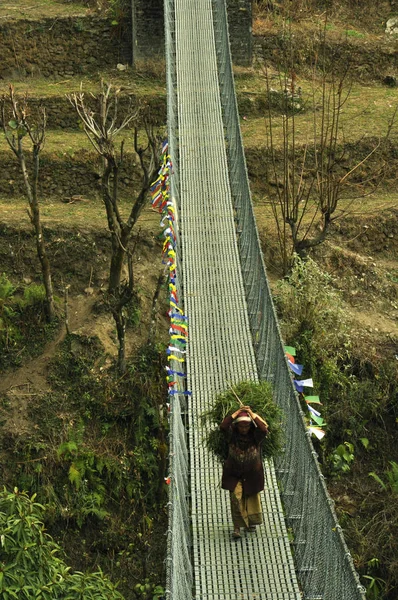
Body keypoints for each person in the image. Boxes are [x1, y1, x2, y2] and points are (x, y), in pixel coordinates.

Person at [220, 406, 269, 539]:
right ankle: (237, 527)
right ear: (236, 426)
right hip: (234, 474)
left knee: (251, 498)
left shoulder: (255, 436)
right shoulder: (232, 435)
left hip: (252, 474)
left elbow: (264, 429)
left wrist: (251, 413)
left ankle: (251, 523)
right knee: (236, 498)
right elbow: (223, 426)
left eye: (246, 427)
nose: (243, 429)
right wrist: (236, 413)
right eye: (241, 427)